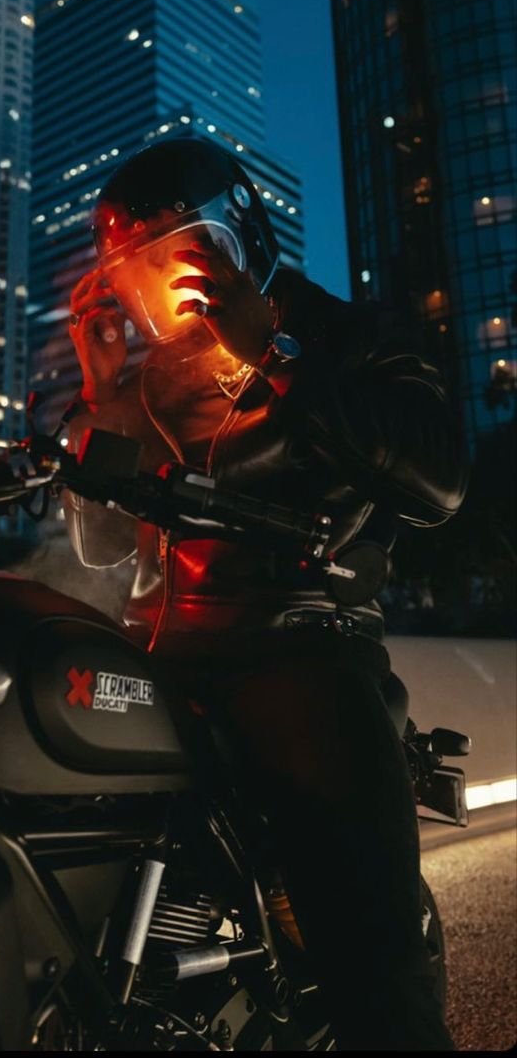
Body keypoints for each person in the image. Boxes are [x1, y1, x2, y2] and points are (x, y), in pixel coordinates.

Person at [61, 136, 468, 1050]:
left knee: (372, 965)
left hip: (300, 645)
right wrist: (98, 393)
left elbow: (438, 482)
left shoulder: (351, 336)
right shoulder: (147, 382)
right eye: (134, 272)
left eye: (181, 254)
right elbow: (96, 546)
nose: (161, 286)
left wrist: (273, 355)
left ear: (241, 233)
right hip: (157, 654)